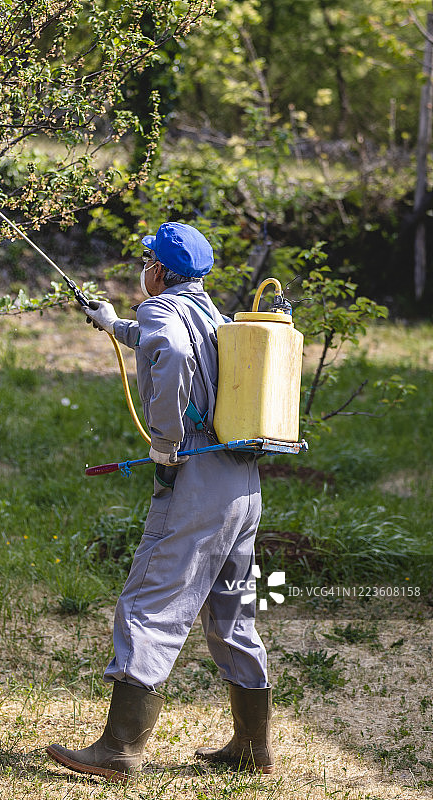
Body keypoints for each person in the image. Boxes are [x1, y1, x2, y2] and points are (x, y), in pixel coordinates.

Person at [46, 222, 274, 782]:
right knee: (233, 613)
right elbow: (180, 343)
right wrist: (114, 325)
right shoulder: (213, 313)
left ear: (159, 271)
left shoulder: (161, 313)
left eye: (145, 261)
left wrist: (165, 442)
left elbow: (169, 350)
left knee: (151, 601)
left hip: (194, 478)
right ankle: (253, 748)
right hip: (242, 483)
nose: (140, 269)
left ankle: (120, 750)